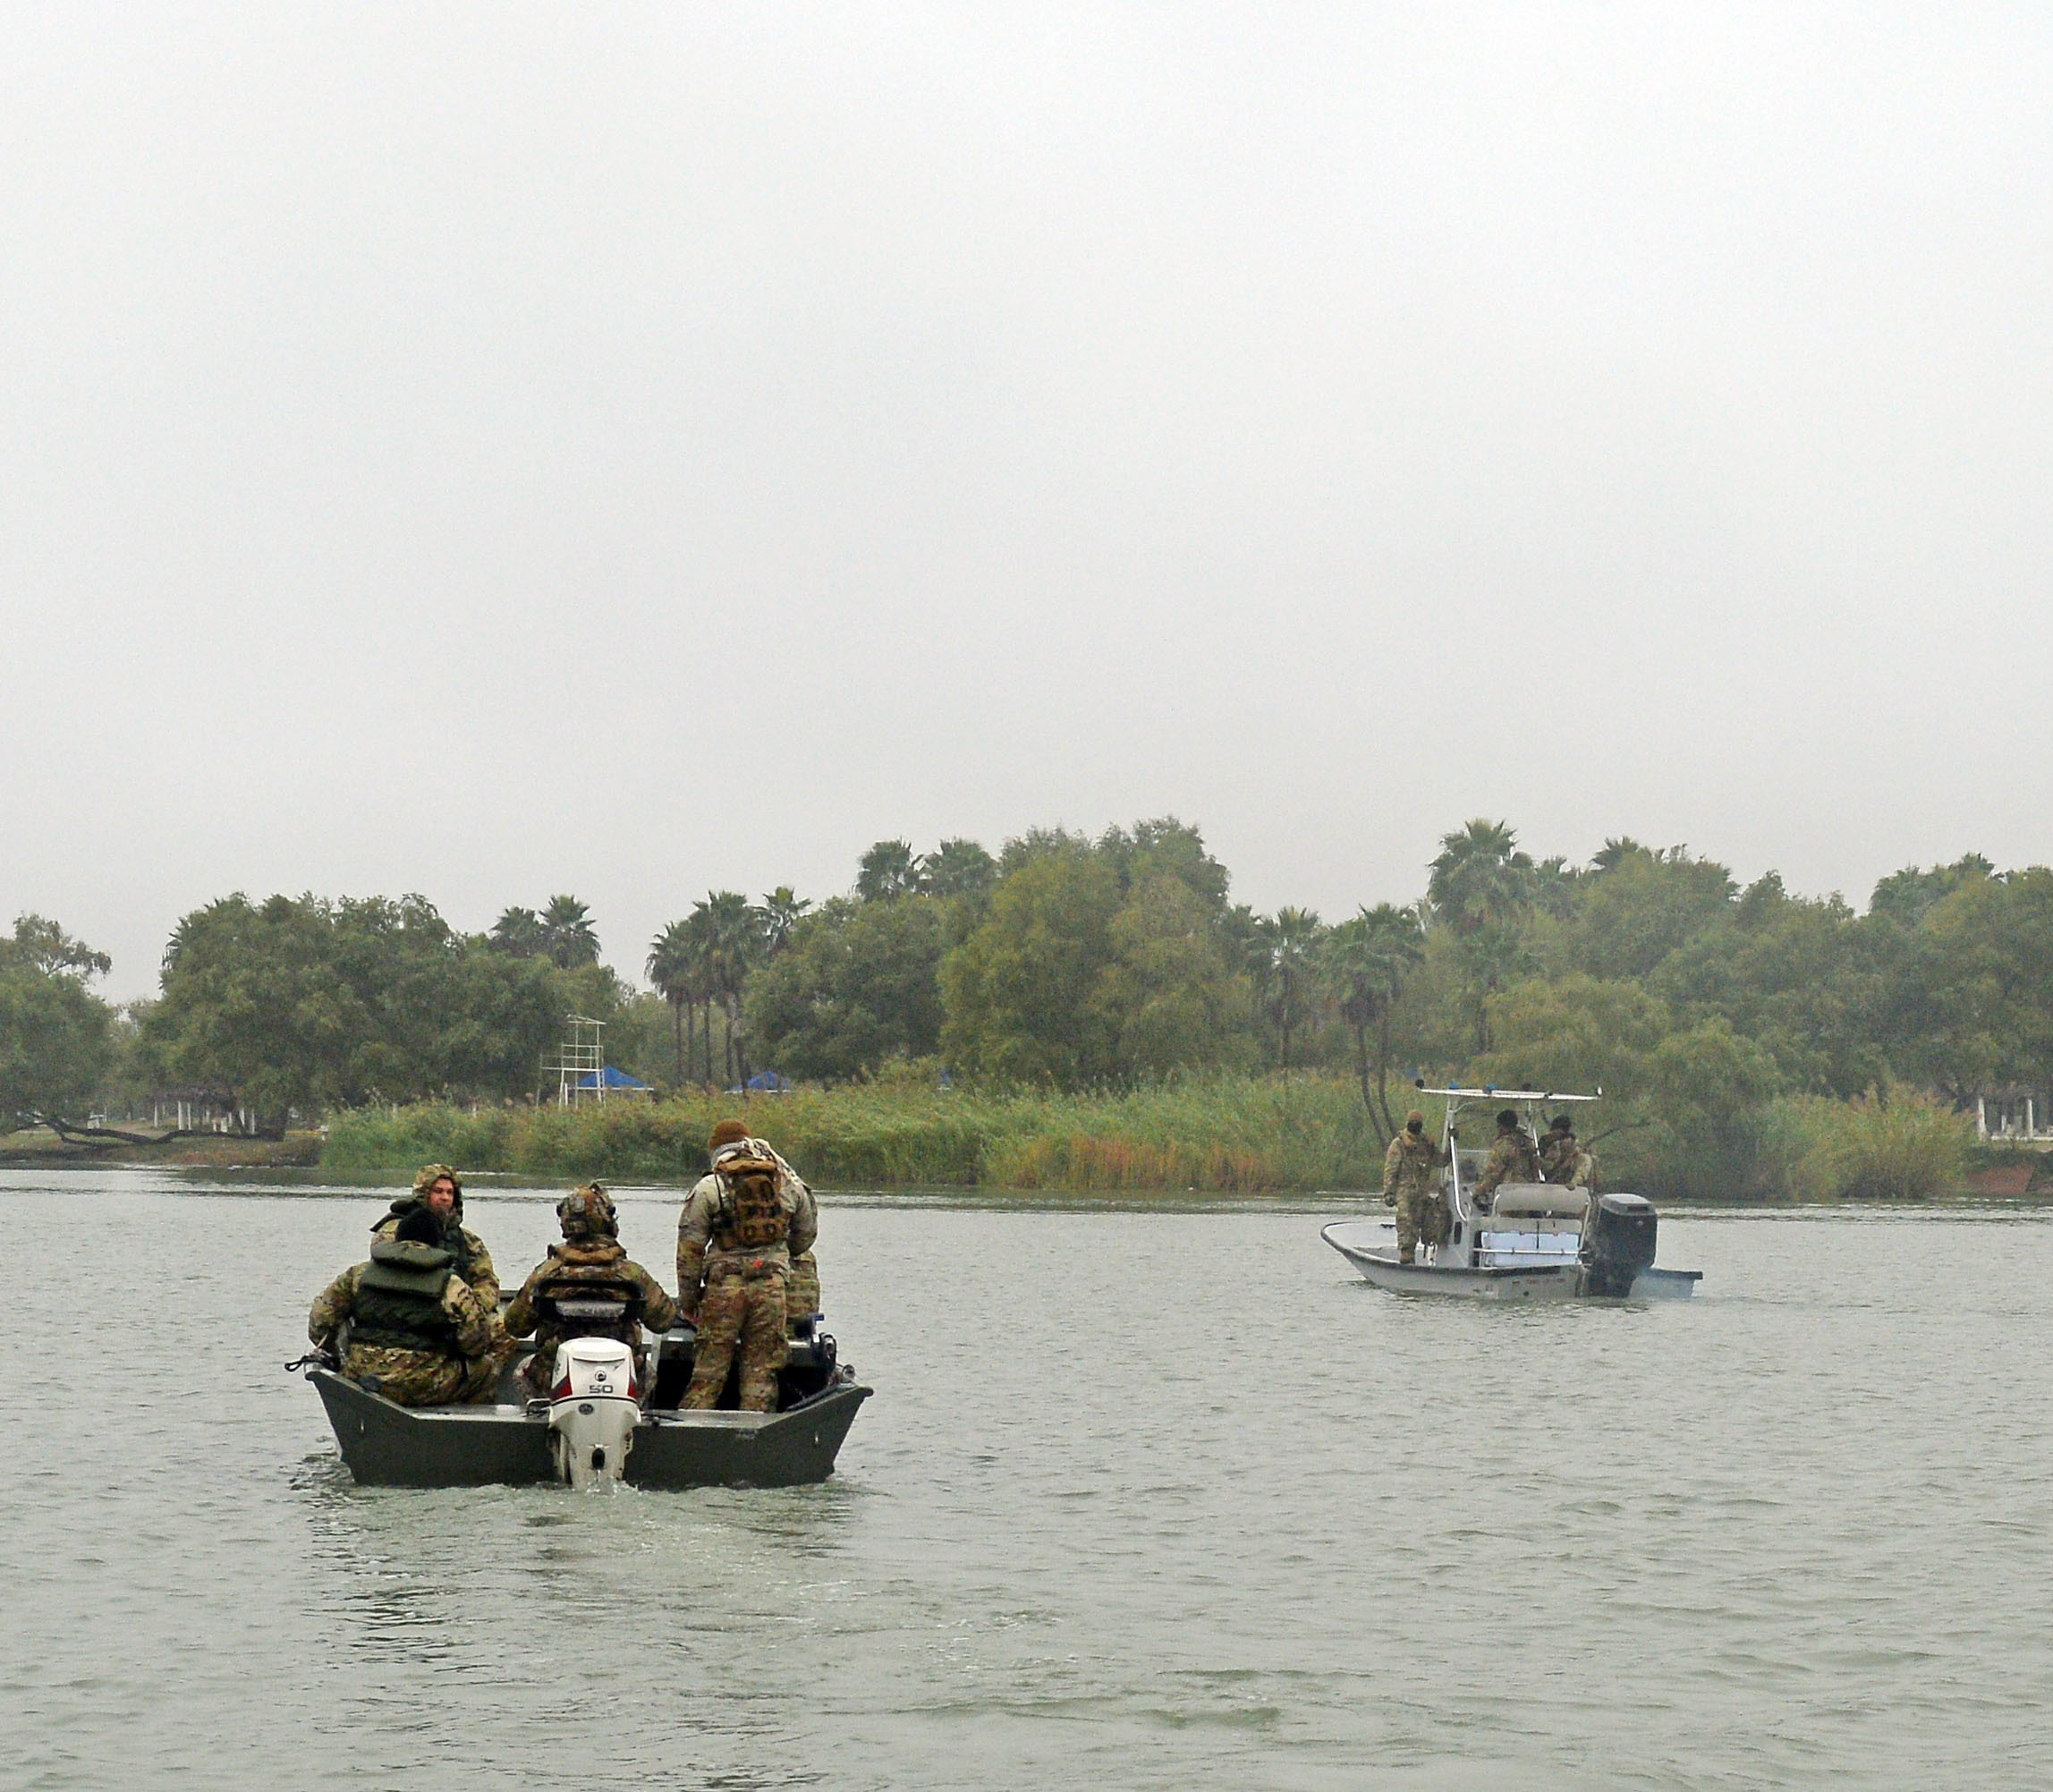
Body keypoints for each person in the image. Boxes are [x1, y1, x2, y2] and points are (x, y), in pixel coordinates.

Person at [676, 1121, 818, 1411]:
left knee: (708, 1375)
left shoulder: (709, 1187)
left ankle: (693, 1439)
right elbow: (806, 1235)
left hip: (723, 1291)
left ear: (716, 1152)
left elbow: (689, 1253)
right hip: (771, 1289)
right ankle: (754, 1440)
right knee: (762, 1375)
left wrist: (689, 1302)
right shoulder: (785, 1181)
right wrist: (777, 1256)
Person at [307, 1206, 504, 1406]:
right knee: (486, 1368)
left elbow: (320, 1321)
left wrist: (340, 1353)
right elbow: (476, 1343)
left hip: (362, 1379)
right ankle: (460, 1429)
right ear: (435, 1244)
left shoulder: (358, 1275)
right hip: (425, 1386)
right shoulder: (451, 1285)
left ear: (398, 1238)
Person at [503, 1183, 680, 1397]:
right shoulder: (632, 1274)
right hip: (620, 1378)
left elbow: (515, 1325)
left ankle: (539, 1422)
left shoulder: (547, 1274)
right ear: (608, 1222)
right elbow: (664, 1321)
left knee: (522, 1370)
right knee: (649, 1371)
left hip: (555, 1377)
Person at [372, 1163, 502, 1309]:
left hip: (454, 1311)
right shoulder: (394, 1230)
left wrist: (472, 1309)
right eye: (438, 1191)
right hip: (401, 1308)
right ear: (424, 1194)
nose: (445, 1197)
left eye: (450, 1192)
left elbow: (487, 1282)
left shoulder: (468, 1240)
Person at [1381, 1108, 1450, 1265]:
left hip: (1422, 1193)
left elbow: (1440, 1161)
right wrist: (1389, 1193)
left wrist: (1450, 1150)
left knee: (1429, 1222)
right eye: (1412, 1123)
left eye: (1418, 1124)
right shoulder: (1398, 1144)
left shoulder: (1426, 1144)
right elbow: (1391, 1170)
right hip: (1405, 1192)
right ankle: (1406, 1256)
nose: (1415, 1126)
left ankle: (1431, 1254)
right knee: (1406, 1223)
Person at [1469, 1108, 1542, 1212]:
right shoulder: (1527, 1142)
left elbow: (1493, 1172)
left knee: (1508, 1224)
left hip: (1509, 1193)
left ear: (1501, 1126)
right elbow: (1536, 1167)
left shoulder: (1504, 1144)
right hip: (1529, 1193)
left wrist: (1479, 1191)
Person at [1540, 1116, 1597, 1191]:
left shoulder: (1582, 1158)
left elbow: (1581, 1173)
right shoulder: (1555, 1149)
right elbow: (1547, 1167)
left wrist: (1573, 1183)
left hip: (1577, 1193)